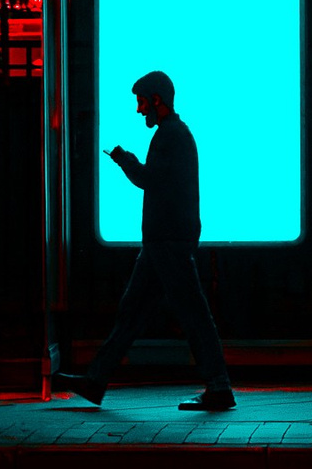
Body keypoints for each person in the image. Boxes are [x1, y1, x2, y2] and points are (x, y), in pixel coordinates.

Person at [67, 69, 236, 413]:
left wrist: (124, 159)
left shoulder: (170, 135)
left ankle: (219, 386)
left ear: (157, 99)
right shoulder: (175, 133)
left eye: (142, 102)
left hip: (166, 241)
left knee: (186, 313)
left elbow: (149, 179)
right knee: (136, 312)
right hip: (165, 241)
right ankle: (95, 381)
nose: (139, 109)